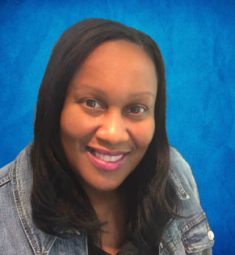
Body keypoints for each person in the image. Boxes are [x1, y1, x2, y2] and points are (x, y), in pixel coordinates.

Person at [0, 18, 214, 255]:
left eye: (136, 109)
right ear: (55, 106)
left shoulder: (175, 174)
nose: (113, 134)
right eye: (92, 103)